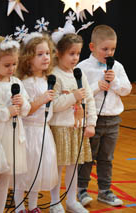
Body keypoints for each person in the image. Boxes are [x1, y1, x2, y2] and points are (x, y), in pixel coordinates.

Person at [77, 24, 132, 207]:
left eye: (113, 49)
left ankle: (105, 191)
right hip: (92, 120)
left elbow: (126, 90)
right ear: (92, 47)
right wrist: (96, 87)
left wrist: (113, 81)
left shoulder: (117, 67)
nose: (109, 53)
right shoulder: (83, 67)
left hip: (113, 120)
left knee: (106, 158)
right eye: (105, 49)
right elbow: (78, 95)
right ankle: (82, 189)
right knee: (87, 157)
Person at [49, 21, 97, 213]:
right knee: (58, 167)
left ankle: (71, 200)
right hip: (60, 127)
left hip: (76, 128)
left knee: (73, 166)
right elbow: (54, 105)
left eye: (78, 53)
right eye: (71, 54)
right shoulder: (54, 74)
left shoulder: (79, 74)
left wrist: (90, 123)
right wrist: (73, 97)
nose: (75, 58)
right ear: (59, 53)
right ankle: (54, 202)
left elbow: (90, 99)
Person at [14, 32, 58, 213]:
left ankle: (33, 207)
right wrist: (41, 100)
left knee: (38, 173)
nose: (45, 57)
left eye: (47, 53)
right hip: (29, 133)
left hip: (43, 132)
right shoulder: (26, 83)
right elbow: (26, 110)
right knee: (24, 174)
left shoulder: (47, 80)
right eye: (39, 54)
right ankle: (19, 207)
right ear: (28, 59)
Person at [0, 35, 31, 213]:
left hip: (12, 137)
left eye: (14, 64)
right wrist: (6, 112)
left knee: (4, 180)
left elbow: (27, 108)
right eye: (7, 65)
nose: (11, 69)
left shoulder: (16, 82)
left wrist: (22, 103)